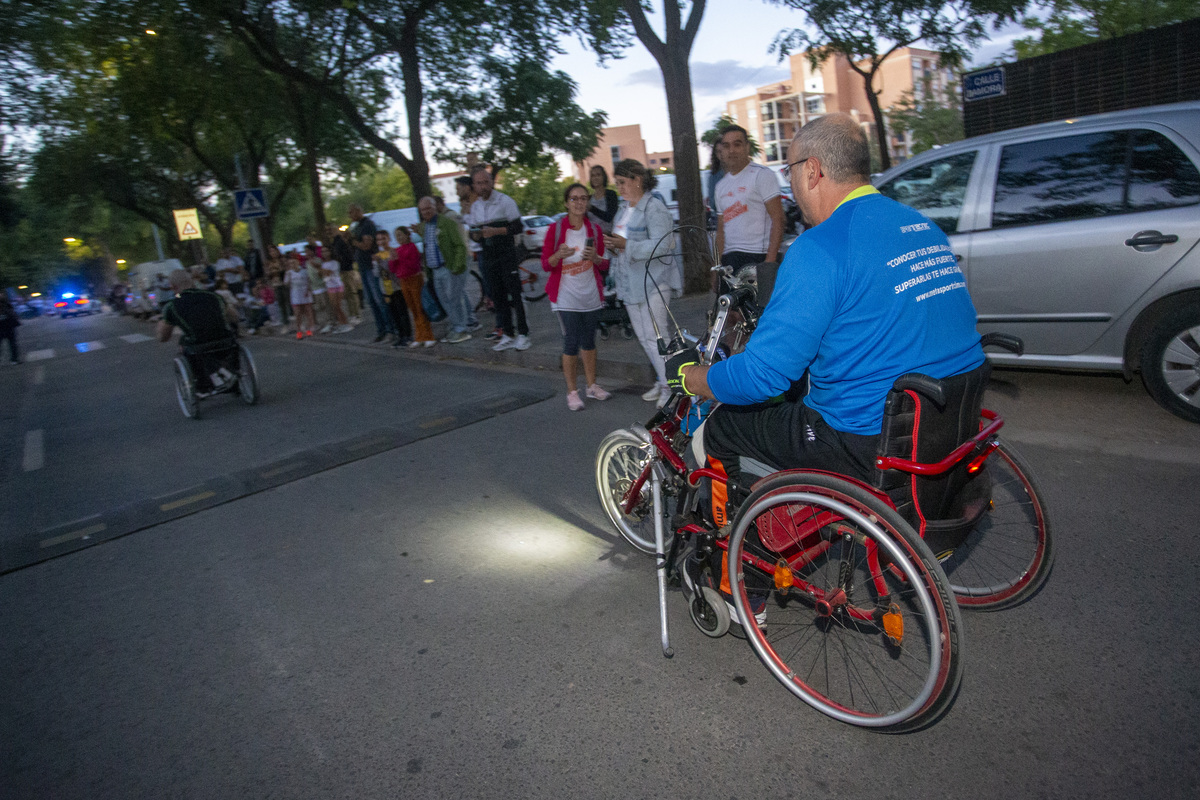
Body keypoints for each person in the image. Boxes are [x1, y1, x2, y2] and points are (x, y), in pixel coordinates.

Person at [668, 113, 985, 488]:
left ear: (812, 171)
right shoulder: (921, 225)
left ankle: (736, 539)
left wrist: (689, 376)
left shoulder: (820, 247)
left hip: (862, 436)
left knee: (723, 429)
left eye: (790, 172)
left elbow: (761, 378)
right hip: (946, 416)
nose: (792, 183)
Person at [603, 158, 679, 408]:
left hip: (654, 282)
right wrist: (612, 248)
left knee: (658, 336)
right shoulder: (624, 210)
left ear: (638, 179)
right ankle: (662, 379)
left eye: (623, 182)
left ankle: (673, 386)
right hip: (630, 284)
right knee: (645, 337)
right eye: (617, 183)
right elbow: (621, 244)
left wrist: (627, 245)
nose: (620, 188)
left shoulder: (654, 208)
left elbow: (664, 244)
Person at [542, 183, 612, 410]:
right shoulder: (556, 229)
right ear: (566, 203)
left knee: (589, 341)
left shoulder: (594, 230)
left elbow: (604, 264)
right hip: (565, 296)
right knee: (571, 341)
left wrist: (596, 259)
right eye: (574, 199)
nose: (579, 202)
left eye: (583, 198)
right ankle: (572, 392)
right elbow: (546, 264)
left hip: (590, 294)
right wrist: (558, 255)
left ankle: (592, 386)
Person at [465, 165, 530, 352]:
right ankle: (508, 333)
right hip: (488, 255)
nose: (483, 186)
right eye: (479, 183)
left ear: (492, 182)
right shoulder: (476, 207)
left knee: (515, 294)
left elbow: (518, 227)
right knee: (497, 295)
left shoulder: (504, 201)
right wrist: (475, 235)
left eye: (486, 182)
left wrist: (497, 231)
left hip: (506, 254)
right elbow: (473, 232)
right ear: (474, 185)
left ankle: (524, 333)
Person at [712, 125, 784, 288]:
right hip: (730, 260)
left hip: (759, 256)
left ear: (746, 147)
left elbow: (778, 219)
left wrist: (769, 263)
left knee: (759, 313)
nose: (732, 150)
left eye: (737, 144)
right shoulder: (720, 186)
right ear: (721, 151)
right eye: (726, 146)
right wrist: (716, 270)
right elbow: (721, 230)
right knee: (730, 312)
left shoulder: (762, 175)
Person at [156, 268, 240, 389]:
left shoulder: (172, 306)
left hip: (198, 347)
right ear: (192, 282)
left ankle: (203, 383)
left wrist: (160, 327)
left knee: (184, 343)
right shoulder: (214, 296)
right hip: (225, 341)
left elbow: (164, 337)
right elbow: (235, 317)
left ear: (173, 287)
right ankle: (231, 372)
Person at [417, 196, 473, 344]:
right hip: (435, 270)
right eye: (423, 209)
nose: (426, 211)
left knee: (455, 299)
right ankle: (456, 326)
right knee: (444, 300)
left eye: (429, 208)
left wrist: (456, 266)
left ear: (435, 207)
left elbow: (460, 245)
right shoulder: (424, 227)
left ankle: (462, 329)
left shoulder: (447, 223)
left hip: (448, 267)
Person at [349, 203, 399, 344]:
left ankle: (390, 329)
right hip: (363, 266)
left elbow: (367, 245)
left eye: (351, 212)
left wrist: (354, 242)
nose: (350, 215)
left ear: (359, 211)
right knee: (371, 301)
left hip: (371, 266)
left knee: (379, 299)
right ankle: (381, 330)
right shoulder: (358, 226)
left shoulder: (367, 225)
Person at [389, 226, 435, 348]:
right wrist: (393, 259)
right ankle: (419, 335)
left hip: (414, 279)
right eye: (397, 236)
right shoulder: (397, 249)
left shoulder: (412, 247)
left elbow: (414, 265)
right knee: (413, 308)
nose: (399, 238)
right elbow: (393, 269)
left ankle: (428, 335)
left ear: (407, 235)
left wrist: (400, 258)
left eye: (400, 235)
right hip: (403, 280)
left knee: (419, 307)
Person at [374, 230, 413, 347]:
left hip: (397, 286)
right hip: (386, 288)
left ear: (388, 239)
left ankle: (407, 335)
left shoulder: (394, 251)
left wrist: (382, 262)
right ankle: (400, 335)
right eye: (379, 240)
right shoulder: (378, 255)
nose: (381, 242)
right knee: (393, 313)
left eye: (383, 239)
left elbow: (393, 269)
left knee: (402, 311)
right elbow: (376, 273)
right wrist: (376, 263)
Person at [328, 223, 361, 323]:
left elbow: (348, 256)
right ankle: (353, 314)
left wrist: (343, 264)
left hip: (346, 269)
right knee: (348, 293)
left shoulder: (339, 242)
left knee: (351, 292)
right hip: (343, 270)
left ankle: (356, 314)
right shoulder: (335, 242)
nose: (330, 232)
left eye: (331, 230)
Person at [285, 252, 315, 338]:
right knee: (297, 313)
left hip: (304, 293)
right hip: (295, 294)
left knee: (308, 311)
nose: (292, 265)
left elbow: (309, 281)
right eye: (290, 263)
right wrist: (289, 277)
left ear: (298, 262)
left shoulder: (304, 271)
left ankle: (309, 329)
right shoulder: (289, 273)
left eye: (294, 262)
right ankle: (299, 330)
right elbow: (286, 284)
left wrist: (308, 290)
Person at [586, 164, 619, 235]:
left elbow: (609, 217)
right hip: (593, 238)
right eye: (593, 175)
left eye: (598, 175)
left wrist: (591, 208)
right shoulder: (589, 198)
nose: (595, 178)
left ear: (604, 177)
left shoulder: (611, 194)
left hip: (608, 237)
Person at [0, 294, 20, 364]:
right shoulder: (7, 306)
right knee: (12, 344)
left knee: (12, 344)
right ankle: (14, 360)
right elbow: (13, 315)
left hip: (4, 328)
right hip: (9, 328)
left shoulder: (7, 306)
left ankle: (14, 359)